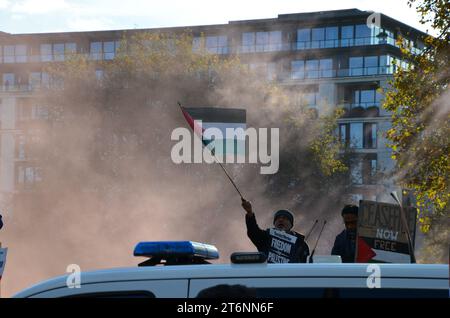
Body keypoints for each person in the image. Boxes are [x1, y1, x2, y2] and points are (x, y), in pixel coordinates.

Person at [241, 198, 309, 263]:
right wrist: (249, 212)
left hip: (290, 274)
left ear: (291, 225)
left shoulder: (300, 243)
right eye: (278, 218)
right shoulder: (266, 236)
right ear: (274, 223)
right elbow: (253, 231)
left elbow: (305, 264)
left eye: (285, 218)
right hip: (269, 274)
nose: (281, 220)